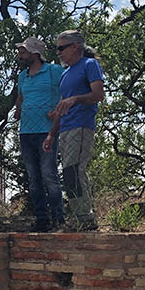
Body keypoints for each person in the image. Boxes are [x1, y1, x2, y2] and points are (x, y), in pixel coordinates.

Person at [45, 30, 104, 231]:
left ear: (75, 46)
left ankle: (85, 218)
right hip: (65, 129)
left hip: (81, 124)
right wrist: (51, 134)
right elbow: (62, 107)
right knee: (70, 172)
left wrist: (75, 99)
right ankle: (81, 217)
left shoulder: (89, 65)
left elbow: (98, 95)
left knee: (74, 171)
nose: (58, 52)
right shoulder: (65, 74)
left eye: (61, 48)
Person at [14, 37, 64, 232]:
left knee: (49, 175)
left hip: (47, 130)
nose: (20, 55)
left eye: (23, 51)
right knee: (34, 178)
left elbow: (67, 92)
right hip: (26, 131)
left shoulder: (54, 71)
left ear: (35, 53)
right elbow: (20, 97)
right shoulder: (22, 76)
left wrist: (58, 110)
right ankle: (42, 219)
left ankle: (58, 219)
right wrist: (18, 110)